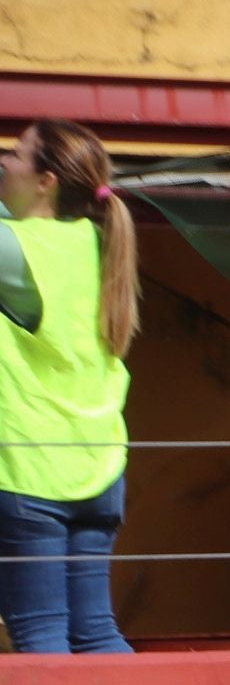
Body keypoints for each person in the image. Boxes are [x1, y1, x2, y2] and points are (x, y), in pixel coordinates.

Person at [0, 120, 137, 655]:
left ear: (46, 181)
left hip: (31, 471)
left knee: (41, 638)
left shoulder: (18, 249)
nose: (4, 161)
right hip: (100, 466)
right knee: (96, 631)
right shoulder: (97, 239)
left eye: (15, 153)